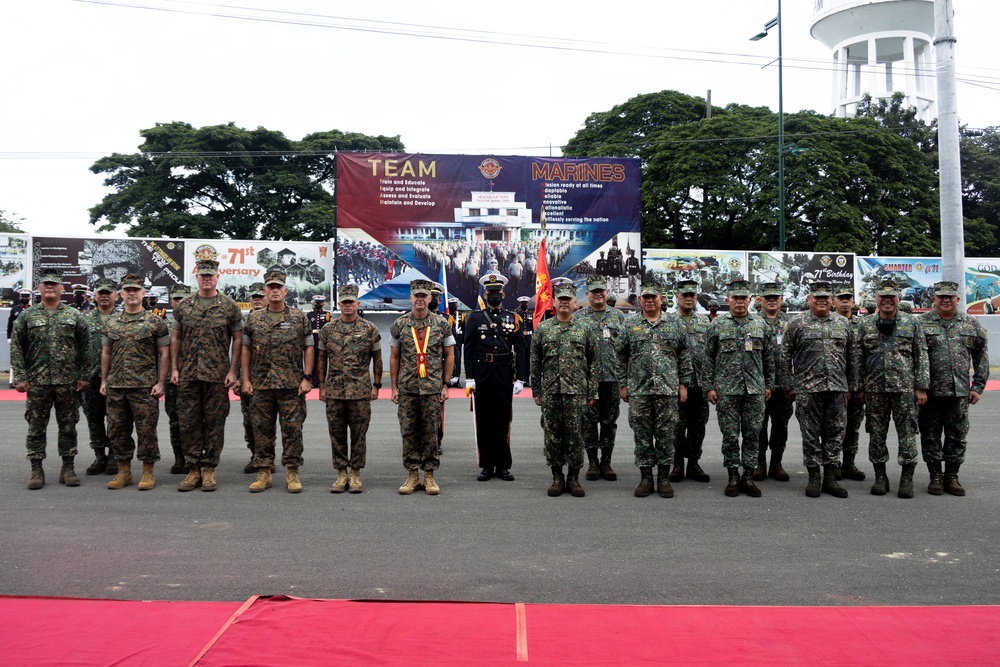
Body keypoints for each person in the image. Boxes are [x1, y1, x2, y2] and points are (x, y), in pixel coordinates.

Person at [11, 269, 90, 490]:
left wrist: (84, 376)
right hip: (37, 381)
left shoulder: (74, 316)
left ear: (62, 288)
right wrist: (21, 376)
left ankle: (68, 467)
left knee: (68, 426)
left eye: (54, 284)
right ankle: (37, 469)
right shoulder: (27, 316)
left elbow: (85, 348)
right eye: (46, 283)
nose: (50, 287)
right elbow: (17, 348)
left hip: (67, 381)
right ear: (39, 288)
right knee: (36, 426)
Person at [781, 281, 859, 498]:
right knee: (810, 434)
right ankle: (814, 477)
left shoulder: (843, 324)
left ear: (832, 301)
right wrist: (788, 385)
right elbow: (785, 356)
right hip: (808, 389)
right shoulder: (796, 323)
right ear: (809, 299)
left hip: (837, 387)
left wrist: (852, 385)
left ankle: (831, 478)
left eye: (826, 297)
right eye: (817, 297)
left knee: (835, 434)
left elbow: (852, 356)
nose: (822, 300)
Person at [170, 259, 243, 492]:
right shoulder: (184, 306)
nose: (207, 278)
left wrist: (233, 370)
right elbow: (176, 338)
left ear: (217, 277)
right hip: (189, 374)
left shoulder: (229, 306)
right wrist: (174, 368)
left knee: (214, 422)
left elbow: (238, 339)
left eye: (210, 275)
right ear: (197, 277)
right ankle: (193, 470)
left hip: (217, 375)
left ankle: (209, 469)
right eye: (203, 275)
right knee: (188, 422)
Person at [856, 278, 929, 499]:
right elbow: (858, 359)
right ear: (876, 299)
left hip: (905, 390)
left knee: (907, 434)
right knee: (876, 434)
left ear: (898, 298)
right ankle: (880, 477)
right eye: (883, 297)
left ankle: (906, 479)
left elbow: (921, 355)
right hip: (875, 389)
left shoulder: (912, 323)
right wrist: (859, 387)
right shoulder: (865, 324)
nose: (887, 301)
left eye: (892, 297)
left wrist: (922, 387)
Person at [617, 281, 692, 498]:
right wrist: (623, 384)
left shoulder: (674, 324)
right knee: (642, 435)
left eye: (654, 297)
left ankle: (664, 478)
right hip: (639, 391)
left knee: (666, 435)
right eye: (645, 297)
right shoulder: (630, 326)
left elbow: (684, 356)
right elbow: (621, 357)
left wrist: (683, 384)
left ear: (661, 300)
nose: (650, 301)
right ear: (640, 301)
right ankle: (646, 477)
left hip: (667, 390)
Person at [242, 270, 314, 494]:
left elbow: (308, 347)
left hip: (291, 384)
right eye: (270, 287)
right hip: (261, 384)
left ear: (285, 291)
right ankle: (264, 472)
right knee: (262, 429)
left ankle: (292, 472)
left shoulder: (299, 317)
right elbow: (246, 349)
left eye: (278, 287)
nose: (274, 290)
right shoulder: (253, 318)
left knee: (292, 430)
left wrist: (307, 377)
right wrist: (245, 379)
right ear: (265, 291)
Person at [704, 276, 774, 498]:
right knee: (731, 435)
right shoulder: (717, 325)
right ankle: (733, 476)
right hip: (727, 390)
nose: (740, 302)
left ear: (751, 299)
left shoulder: (761, 324)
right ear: (728, 299)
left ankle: (748, 476)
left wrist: (769, 385)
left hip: (755, 390)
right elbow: (708, 358)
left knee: (753, 434)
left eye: (744, 297)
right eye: (736, 298)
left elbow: (770, 358)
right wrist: (709, 387)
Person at [918, 280, 989, 496]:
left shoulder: (971, 324)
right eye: (942, 297)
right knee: (930, 435)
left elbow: (981, 357)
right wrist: (918, 388)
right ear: (934, 299)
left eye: (950, 297)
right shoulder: (921, 323)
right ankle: (935, 476)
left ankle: (951, 476)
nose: (946, 300)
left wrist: (977, 386)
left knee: (957, 435)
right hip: (930, 393)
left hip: (959, 392)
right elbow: (914, 358)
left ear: (957, 299)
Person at [100, 274, 171, 490]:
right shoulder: (112, 322)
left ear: (143, 294)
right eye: (127, 290)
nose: (131, 293)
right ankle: (124, 472)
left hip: (144, 387)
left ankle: (147, 472)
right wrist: (104, 380)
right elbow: (106, 353)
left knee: (146, 430)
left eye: (136, 290)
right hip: (117, 386)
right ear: (121, 294)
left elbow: (164, 354)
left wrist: (161, 383)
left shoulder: (155, 322)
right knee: (117, 430)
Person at [530, 277, 598, 497]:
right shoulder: (544, 329)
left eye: (569, 299)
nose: (565, 303)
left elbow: (594, 362)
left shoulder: (585, 329)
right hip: (551, 392)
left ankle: (574, 477)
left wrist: (592, 391)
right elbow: (535, 362)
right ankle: (557, 477)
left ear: (575, 303)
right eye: (561, 299)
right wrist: (537, 391)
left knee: (577, 435)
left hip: (577, 392)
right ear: (554, 303)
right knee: (553, 436)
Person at [389, 279, 455, 495]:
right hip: (407, 388)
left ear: (430, 298)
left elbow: (449, 355)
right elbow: (394, 356)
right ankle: (412, 476)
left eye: (423, 295)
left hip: (432, 388)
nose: (419, 299)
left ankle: (429, 476)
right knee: (408, 432)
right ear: (411, 298)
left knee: (431, 433)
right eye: (416, 295)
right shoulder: (399, 325)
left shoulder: (442, 324)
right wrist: (394, 387)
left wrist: (445, 385)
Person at [317, 284, 382, 493]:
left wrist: (377, 385)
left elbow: (377, 359)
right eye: (344, 302)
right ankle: (341, 472)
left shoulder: (369, 329)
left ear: (357, 304)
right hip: (334, 390)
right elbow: (321, 359)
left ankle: (355, 473)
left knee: (359, 433)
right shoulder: (328, 330)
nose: (347, 305)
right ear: (339, 304)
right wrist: (321, 386)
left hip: (360, 390)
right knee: (336, 433)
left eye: (351, 302)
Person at [464, 273, 522, 482]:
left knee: (502, 420)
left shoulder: (513, 318)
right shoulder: (475, 318)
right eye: (491, 292)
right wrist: (469, 378)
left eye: (497, 292)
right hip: (482, 375)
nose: (494, 295)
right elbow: (468, 349)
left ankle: (503, 465)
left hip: (504, 374)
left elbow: (521, 350)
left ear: (504, 294)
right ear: (485, 294)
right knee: (485, 421)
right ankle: (487, 465)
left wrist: (522, 378)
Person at [575, 274, 625, 482]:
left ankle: (606, 461)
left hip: (612, 378)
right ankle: (593, 462)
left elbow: (624, 350)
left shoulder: (618, 316)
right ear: (587, 295)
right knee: (588, 422)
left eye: (601, 291)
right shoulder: (579, 318)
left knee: (609, 422)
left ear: (606, 293)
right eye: (593, 291)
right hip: (588, 380)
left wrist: (625, 380)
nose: (597, 295)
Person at [671, 279, 712, 483]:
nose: (688, 298)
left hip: (701, 384)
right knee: (677, 426)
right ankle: (677, 464)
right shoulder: (669, 321)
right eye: (684, 295)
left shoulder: (705, 322)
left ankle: (694, 463)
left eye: (692, 295)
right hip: (676, 384)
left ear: (696, 298)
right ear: (677, 297)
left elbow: (714, 354)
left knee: (698, 426)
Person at [753, 281, 793, 482]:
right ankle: (759, 463)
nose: (771, 301)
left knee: (780, 427)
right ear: (760, 300)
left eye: (775, 298)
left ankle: (776, 463)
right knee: (758, 426)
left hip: (783, 386)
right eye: (767, 298)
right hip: (758, 385)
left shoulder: (791, 324)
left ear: (781, 300)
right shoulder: (753, 322)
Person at [81, 278, 119, 476]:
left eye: (108, 293)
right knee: (94, 419)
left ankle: (113, 456)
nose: (104, 296)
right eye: (101, 293)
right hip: (90, 378)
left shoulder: (122, 319)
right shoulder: (84, 320)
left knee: (115, 419)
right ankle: (99, 455)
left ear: (116, 296)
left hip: (116, 378)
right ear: (94, 296)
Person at [833, 286, 867, 481]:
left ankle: (849, 463)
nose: (845, 301)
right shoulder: (829, 323)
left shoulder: (863, 326)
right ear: (833, 302)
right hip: (835, 385)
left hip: (857, 386)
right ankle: (834, 463)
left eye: (848, 298)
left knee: (853, 427)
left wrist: (860, 386)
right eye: (841, 298)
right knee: (834, 427)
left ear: (853, 302)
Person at [163, 283, 192, 474]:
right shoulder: (161, 323)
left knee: (194, 419)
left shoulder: (195, 321)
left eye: (183, 298)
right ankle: (179, 457)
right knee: (175, 419)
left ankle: (193, 457)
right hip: (171, 379)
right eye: (175, 298)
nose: (179, 302)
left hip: (192, 376)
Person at [239, 282, 267, 474]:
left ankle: (267, 456)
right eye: (253, 297)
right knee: (249, 419)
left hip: (270, 379)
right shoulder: (242, 322)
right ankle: (255, 455)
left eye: (260, 297)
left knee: (267, 421)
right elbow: (239, 350)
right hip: (248, 377)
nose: (257, 300)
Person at [7, 288, 32, 387]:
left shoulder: (33, 309)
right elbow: (10, 324)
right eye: (22, 296)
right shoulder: (15, 309)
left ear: (29, 298)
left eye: (26, 296)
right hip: (17, 338)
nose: (24, 298)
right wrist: (9, 337)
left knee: (29, 359)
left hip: (29, 339)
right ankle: (13, 381)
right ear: (19, 297)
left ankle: (29, 380)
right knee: (16, 359)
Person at [306, 294, 332, 385]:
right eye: (316, 303)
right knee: (313, 362)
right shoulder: (309, 315)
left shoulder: (327, 314)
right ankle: (314, 381)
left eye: (320, 303)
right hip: (312, 341)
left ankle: (321, 380)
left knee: (322, 362)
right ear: (313, 303)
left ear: (323, 304)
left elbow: (330, 328)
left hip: (322, 341)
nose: (318, 304)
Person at [514, 296, 532, 385]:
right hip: (520, 340)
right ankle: (519, 378)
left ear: (527, 304)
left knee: (528, 361)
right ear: (520, 305)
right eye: (522, 304)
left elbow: (533, 327)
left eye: (525, 304)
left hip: (529, 340)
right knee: (519, 359)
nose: (524, 305)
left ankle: (527, 379)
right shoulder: (517, 315)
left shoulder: (531, 315)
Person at [447, 297, 465, 387]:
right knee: (448, 360)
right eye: (452, 305)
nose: (455, 306)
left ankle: (456, 379)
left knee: (457, 359)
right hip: (449, 341)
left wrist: (464, 341)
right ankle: (448, 379)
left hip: (458, 341)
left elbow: (464, 328)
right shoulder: (446, 315)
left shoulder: (460, 315)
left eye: (455, 305)